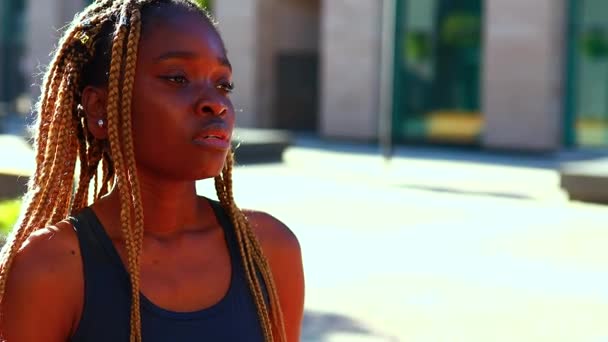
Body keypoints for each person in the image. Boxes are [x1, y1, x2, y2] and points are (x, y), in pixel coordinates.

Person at [0, 0, 304, 341]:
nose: (216, 103)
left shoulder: (268, 249)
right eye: (178, 78)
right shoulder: (51, 267)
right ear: (100, 106)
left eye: (223, 84)